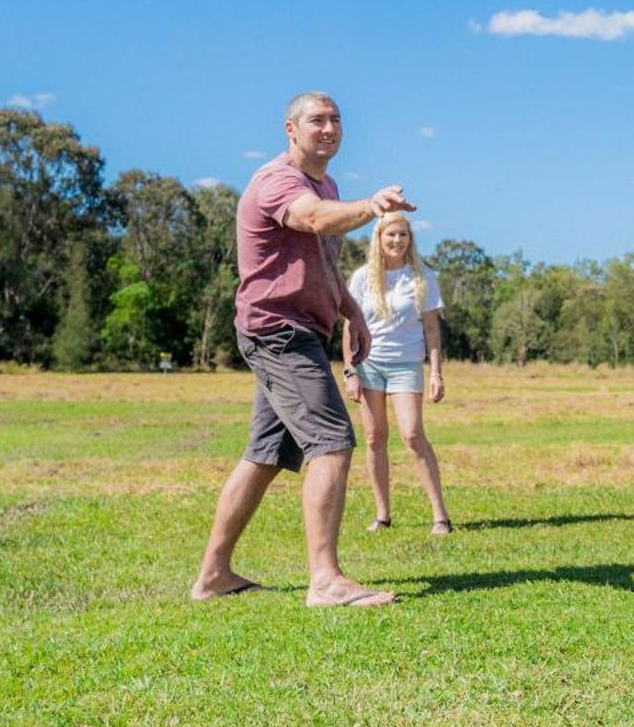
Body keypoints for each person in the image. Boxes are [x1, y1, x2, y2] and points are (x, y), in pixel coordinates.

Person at [191, 91, 414, 607]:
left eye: (336, 119)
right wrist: (368, 206)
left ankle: (213, 576)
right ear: (290, 129)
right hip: (278, 331)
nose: (330, 128)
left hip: (305, 328)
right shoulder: (278, 182)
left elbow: (324, 258)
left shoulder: (327, 183)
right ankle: (325, 580)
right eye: (317, 120)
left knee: (265, 455)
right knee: (333, 441)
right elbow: (313, 219)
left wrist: (352, 313)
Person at [342, 213, 452, 535]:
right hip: (369, 364)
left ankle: (440, 516)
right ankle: (383, 514)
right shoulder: (362, 278)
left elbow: (432, 329)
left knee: (412, 435)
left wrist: (436, 373)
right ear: (379, 238)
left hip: (407, 364)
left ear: (410, 239)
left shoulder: (422, 277)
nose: (397, 240)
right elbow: (350, 327)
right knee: (375, 438)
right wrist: (350, 370)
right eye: (391, 234)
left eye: (403, 235)